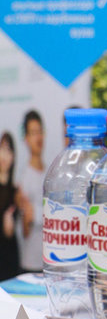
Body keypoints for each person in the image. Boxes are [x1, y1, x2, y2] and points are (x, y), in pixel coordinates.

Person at [18, 109, 45, 272]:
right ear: (26, 139)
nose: (38, 137)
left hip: (49, 262)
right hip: (31, 264)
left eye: (40, 131)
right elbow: (24, 228)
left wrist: (35, 213)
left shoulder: (50, 172)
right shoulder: (24, 178)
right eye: (33, 133)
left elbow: (33, 215)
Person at [0, 131, 20, 280]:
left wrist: (9, 225)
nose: (4, 155)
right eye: (1, 148)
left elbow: (11, 231)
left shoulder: (16, 192)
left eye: (8, 150)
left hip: (9, 259)